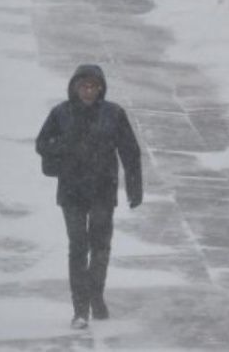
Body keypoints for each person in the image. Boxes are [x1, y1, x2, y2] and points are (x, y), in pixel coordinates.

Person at [36, 64, 143, 329]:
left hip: (102, 191)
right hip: (72, 192)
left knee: (100, 247)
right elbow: (42, 143)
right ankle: (80, 309)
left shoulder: (114, 115)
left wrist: (134, 187)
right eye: (83, 86)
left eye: (93, 86)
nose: (88, 91)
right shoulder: (61, 113)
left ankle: (96, 295)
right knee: (77, 248)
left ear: (101, 88)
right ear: (74, 87)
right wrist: (64, 147)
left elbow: (130, 152)